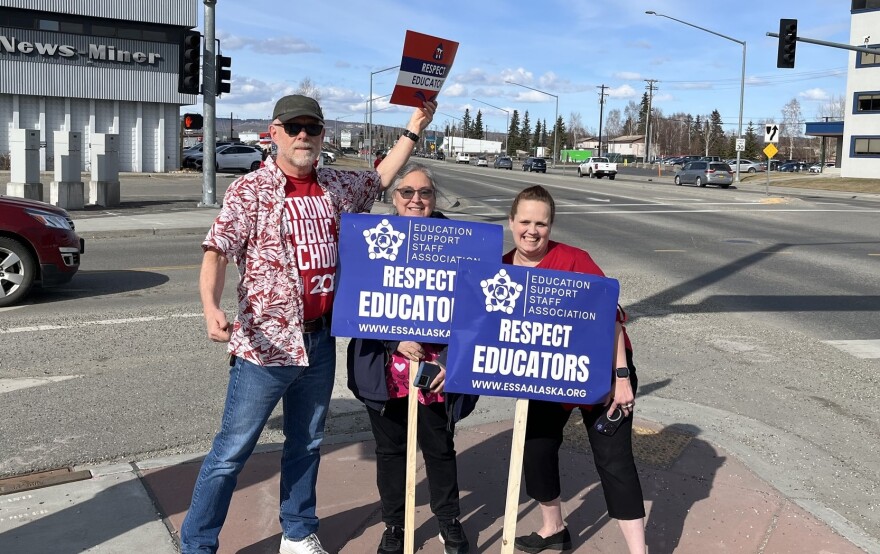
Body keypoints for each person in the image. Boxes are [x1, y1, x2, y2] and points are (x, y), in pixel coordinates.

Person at [180, 94, 436, 554]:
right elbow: (216, 250)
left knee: (308, 442)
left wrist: (414, 126)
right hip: (265, 347)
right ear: (274, 133)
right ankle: (197, 544)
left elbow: (381, 176)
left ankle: (297, 532)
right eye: (294, 127)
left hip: (318, 343)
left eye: (312, 128)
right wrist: (210, 306)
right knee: (231, 452)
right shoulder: (250, 190)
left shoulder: (336, 185)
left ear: (322, 136)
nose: (303, 136)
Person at [506, 186, 647, 554]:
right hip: (542, 373)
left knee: (614, 459)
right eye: (525, 221)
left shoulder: (574, 260)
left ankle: (638, 550)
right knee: (536, 449)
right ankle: (553, 528)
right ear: (511, 222)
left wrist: (621, 378)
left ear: (551, 226)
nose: (532, 230)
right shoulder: (502, 267)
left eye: (541, 223)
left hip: (600, 369)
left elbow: (612, 316)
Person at [347, 162, 477, 554]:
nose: (415, 199)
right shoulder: (373, 238)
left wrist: (450, 362)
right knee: (390, 454)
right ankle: (395, 525)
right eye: (407, 192)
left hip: (435, 372)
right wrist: (392, 340)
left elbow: (476, 311)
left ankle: (449, 521)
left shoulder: (458, 242)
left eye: (424, 193)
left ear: (434, 198)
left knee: (439, 450)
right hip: (385, 373)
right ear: (393, 198)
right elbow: (355, 303)